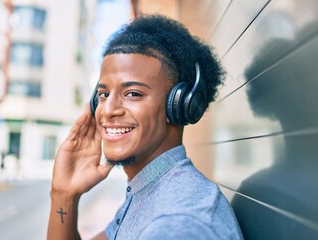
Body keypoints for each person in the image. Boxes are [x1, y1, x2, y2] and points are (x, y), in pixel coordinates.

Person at [47, 14, 243, 240]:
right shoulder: (149, 191)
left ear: (178, 105)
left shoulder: (177, 226)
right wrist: (63, 194)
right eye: (103, 94)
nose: (108, 110)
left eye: (132, 93)